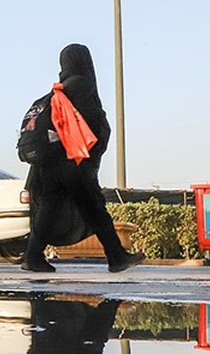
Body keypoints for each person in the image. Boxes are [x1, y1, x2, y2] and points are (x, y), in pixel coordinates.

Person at [21, 44, 145, 273]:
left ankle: (33, 255)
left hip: (50, 163)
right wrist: (93, 154)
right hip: (73, 161)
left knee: (51, 208)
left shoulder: (57, 91)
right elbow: (92, 124)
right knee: (94, 207)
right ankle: (116, 256)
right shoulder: (81, 85)